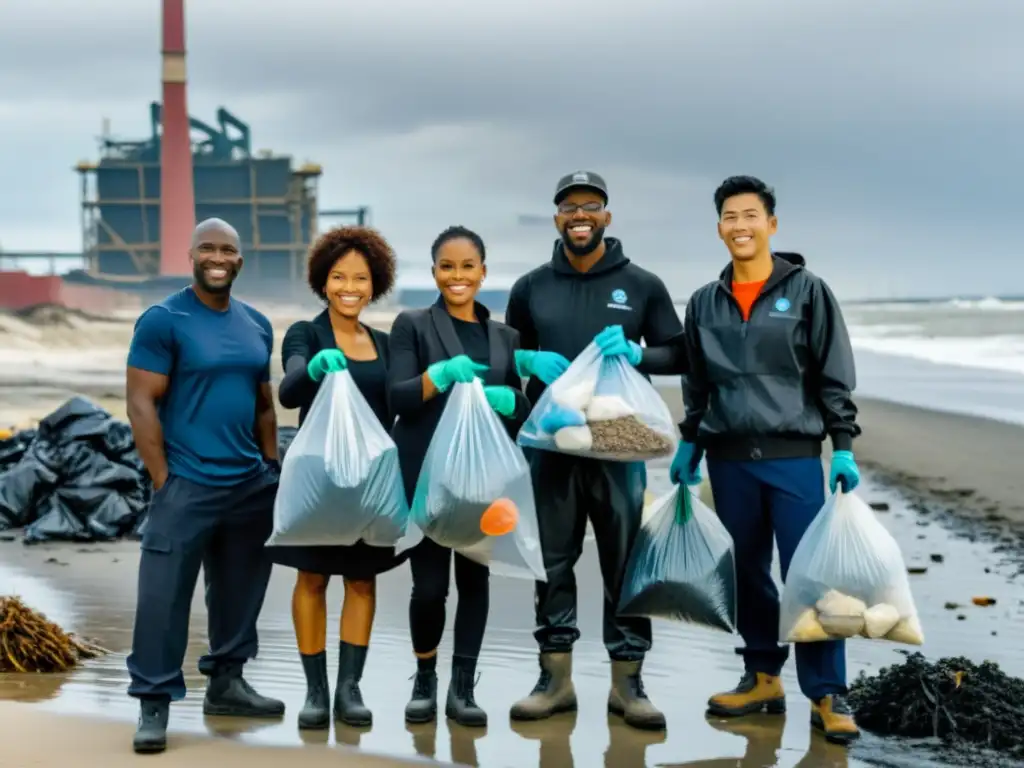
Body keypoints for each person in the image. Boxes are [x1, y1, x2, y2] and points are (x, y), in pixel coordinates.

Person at [672, 175, 862, 745]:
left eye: (750, 215)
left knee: (809, 575)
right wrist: (690, 442)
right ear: (719, 228)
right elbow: (697, 382)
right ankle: (761, 676)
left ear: (771, 224)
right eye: (730, 217)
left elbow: (833, 375)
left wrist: (843, 447)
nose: (740, 226)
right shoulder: (706, 301)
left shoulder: (807, 292)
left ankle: (827, 692)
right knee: (748, 572)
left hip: (793, 457)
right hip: (730, 460)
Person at [504, 171, 683, 731]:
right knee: (552, 561)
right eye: (568, 207)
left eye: (590, 205)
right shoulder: (531, 287)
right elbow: (509, 356)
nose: (579, 215)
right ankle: (554, 680)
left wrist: (636, 354)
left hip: (618, 447)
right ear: (556, 217)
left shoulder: (643, 284)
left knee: (624, 561)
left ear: (607, 215)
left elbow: (676, 353)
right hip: (552, 448)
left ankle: (628, 684)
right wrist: (527, 364)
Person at [124, 218, 284, 754]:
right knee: (162, 597)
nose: (218, 257)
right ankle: (153, 704)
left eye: (229, 250)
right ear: (192, 256)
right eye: (208, 248)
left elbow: (264, 402)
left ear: (240, 260)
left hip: (248, 484)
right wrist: (164, 479)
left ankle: (227, 684)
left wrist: (270, 467)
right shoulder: (163, 320)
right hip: (187, 483)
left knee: (240, 592)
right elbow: (141, 401)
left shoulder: (257, 324)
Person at [387, 225, 533, 728]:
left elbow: (524, 408)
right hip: (426, 478)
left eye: (467, 266)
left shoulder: (505, 338)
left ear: (483, 272)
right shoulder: (412, 325)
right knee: (429, 588)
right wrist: (439, 377)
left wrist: (509, 399)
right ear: (433, 273)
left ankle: (462, 688)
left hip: (486, 485)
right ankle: (425, 677)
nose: (457, 276)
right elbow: (398, 397)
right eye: (446, 267)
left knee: (475, 582)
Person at [269, 225, 407, 730]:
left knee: (362, 580)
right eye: (338, 276)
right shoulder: (307, 334)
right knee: (312, 577)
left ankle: (349, 690)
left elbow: (405, 404)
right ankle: (315, 691)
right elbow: (288, 391)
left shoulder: (388, 344)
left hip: (370, 486)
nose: (349, 287)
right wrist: (315, 370)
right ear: (322, 282)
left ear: (376, 285)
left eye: (361, 278)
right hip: (318, 482)